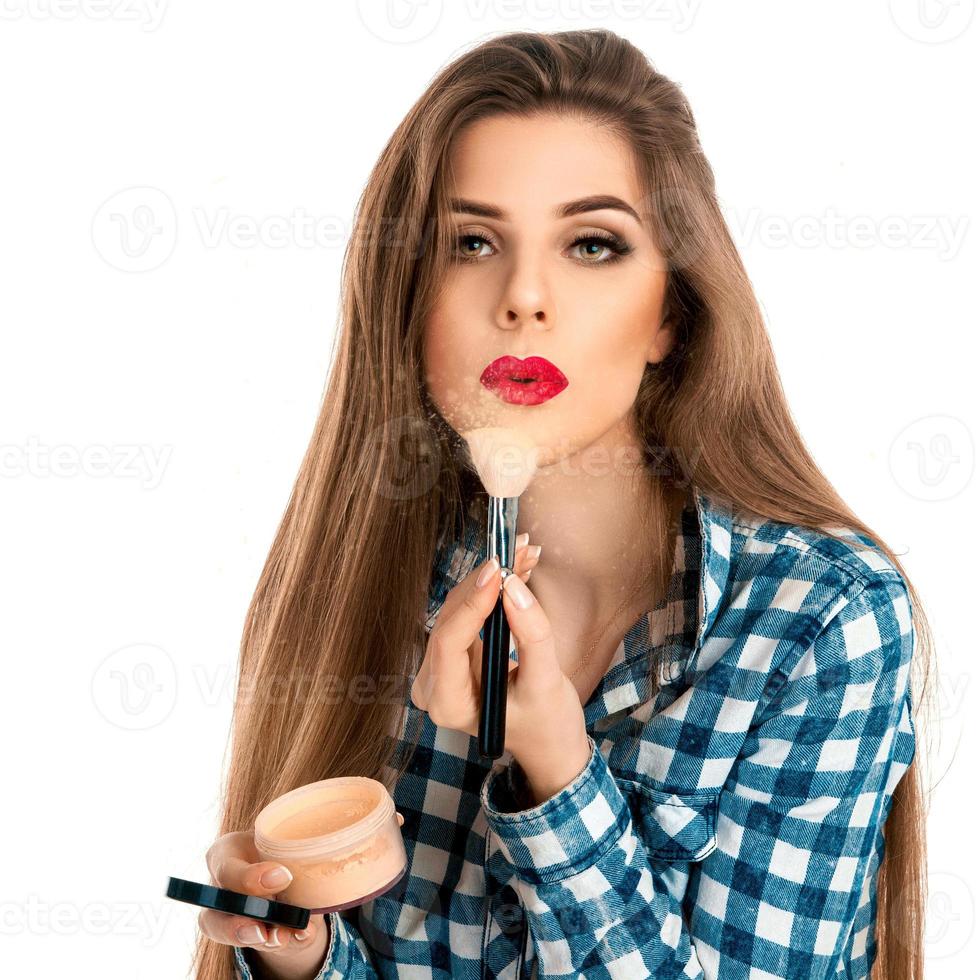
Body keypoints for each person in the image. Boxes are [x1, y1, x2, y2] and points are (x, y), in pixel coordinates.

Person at [192, 29, 932, 980]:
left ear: (671, 311)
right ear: (409, 304)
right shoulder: (370, 587)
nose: (524, 296)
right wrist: (301, 956)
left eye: (591, 243)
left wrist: (557, 770)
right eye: (471, 243)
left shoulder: (819, 620)